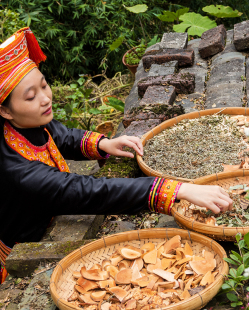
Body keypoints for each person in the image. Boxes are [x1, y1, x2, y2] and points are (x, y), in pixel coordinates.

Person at [0, 27, 233, 284]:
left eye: (44, 85)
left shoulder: (29, 122)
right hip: (26, 239)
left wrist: (103, 144)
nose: (45, 99)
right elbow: (86, 190)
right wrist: (175, 190)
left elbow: (61, 136)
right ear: (5, 111)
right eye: (31, 97)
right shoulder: (18, 172)